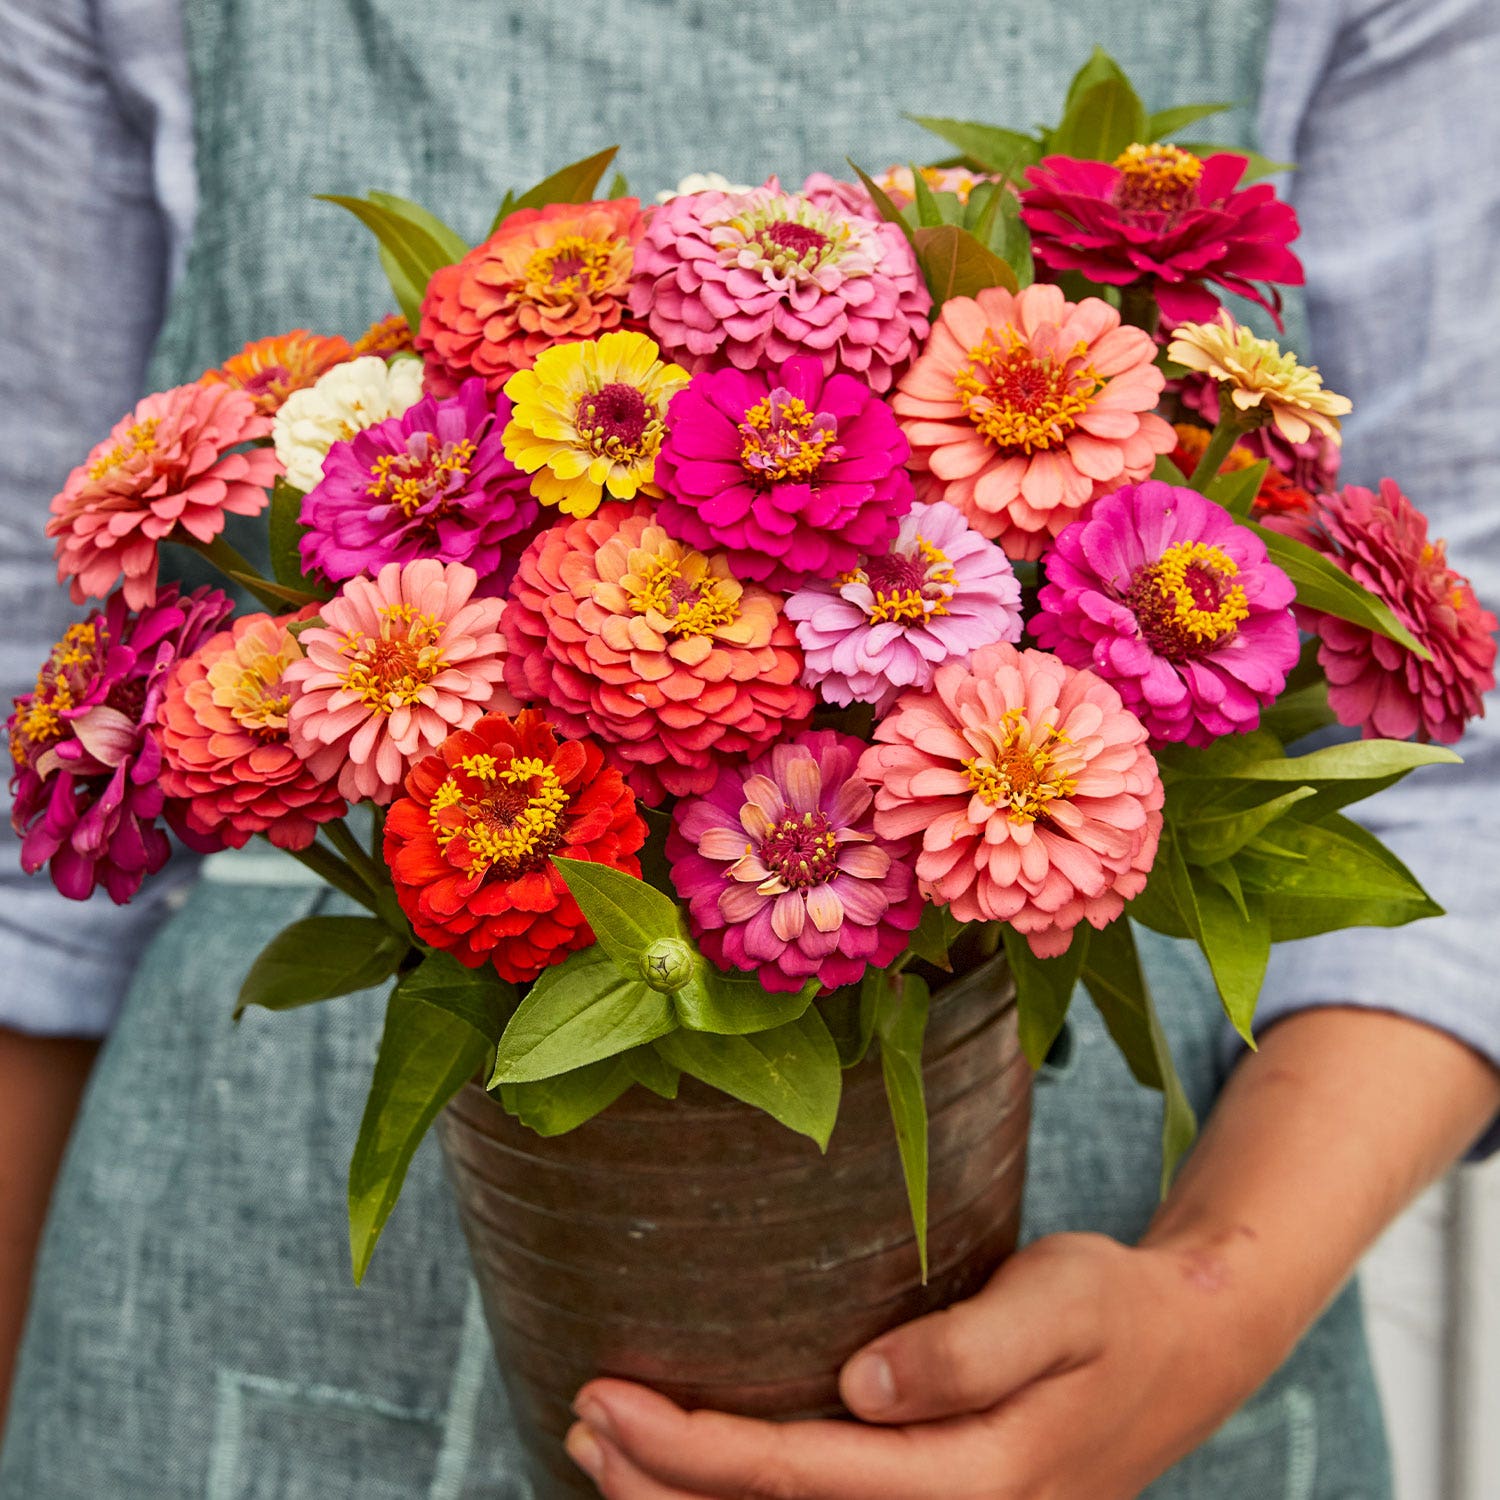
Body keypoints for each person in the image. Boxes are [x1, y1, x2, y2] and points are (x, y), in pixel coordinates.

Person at [1, 1, 1496, 1496]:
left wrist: (1207, 1309)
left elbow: (1467, 777)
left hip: (1123, 1318)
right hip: (250, 1310)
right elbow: (23, 836)